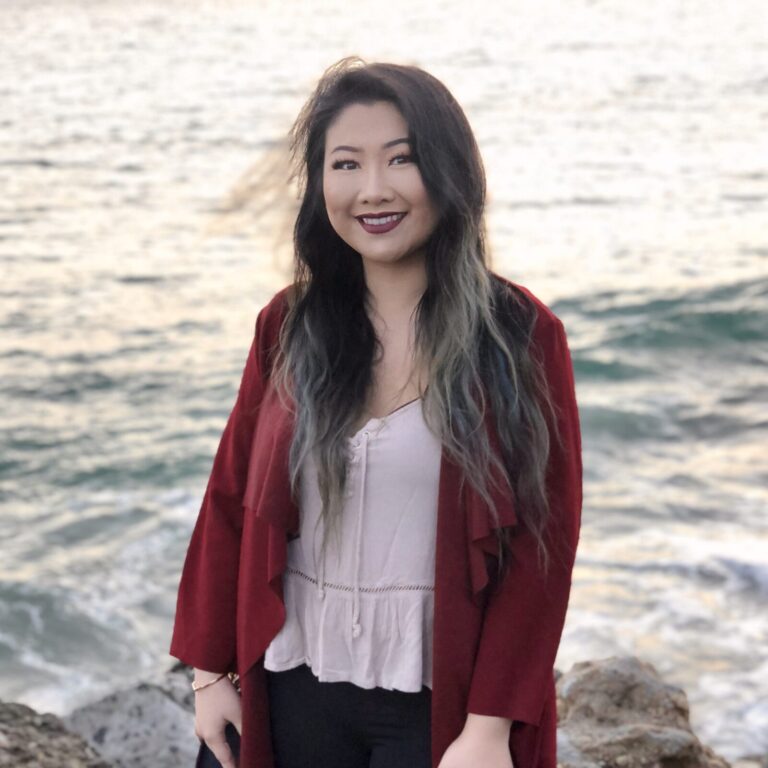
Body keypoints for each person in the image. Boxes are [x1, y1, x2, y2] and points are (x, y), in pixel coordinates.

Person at [169, 56, 582, 768]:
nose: (373, 190)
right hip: (290, 680)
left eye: (402, 159)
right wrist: (208, 672)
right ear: (320, 183)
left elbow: (544, 550)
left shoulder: (520, 335)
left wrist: (487, 730)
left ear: (449, 172)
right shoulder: (287, 325)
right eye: (346, 164)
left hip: (436, 705)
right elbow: (230, 499)